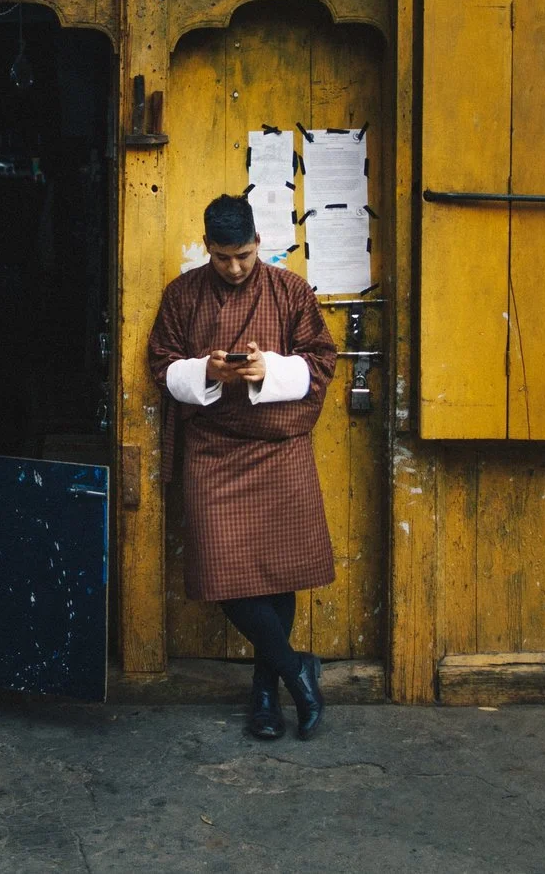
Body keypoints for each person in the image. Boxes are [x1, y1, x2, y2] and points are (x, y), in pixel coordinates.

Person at [146, 195, 338, 740]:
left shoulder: (290, 290)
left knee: (280, 570)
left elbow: (323, 360)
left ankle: (265, 694)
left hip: (279, 447)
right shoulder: (181, 295)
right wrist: (203, 371)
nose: (234, 268)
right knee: (225, 574)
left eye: (245, 256)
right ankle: (296, 667)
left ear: (259, 243)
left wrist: (267, 371)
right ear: (207, 246)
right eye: (223, 257)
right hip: (213, 448)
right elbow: (160, 364)